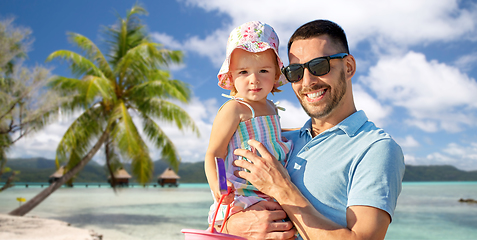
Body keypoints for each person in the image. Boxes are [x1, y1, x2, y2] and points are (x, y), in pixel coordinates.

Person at [223, 19, 406, 240]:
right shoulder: (280, 139)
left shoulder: (375, 148)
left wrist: (282, 188)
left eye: (319, 66)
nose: (307, 81)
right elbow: (228, 203)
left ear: (348, 67)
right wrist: (231, 226)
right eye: (295, 72)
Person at [204, 21, 292, 226]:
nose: (254, 80)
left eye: (263, 71)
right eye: (243, 72)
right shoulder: (235, 109)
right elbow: (215, 152)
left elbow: (272, 135)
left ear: (276, 74)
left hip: (273, 190)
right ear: (231, 76)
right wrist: (220, 186)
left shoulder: (271, 107)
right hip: (243, 194)